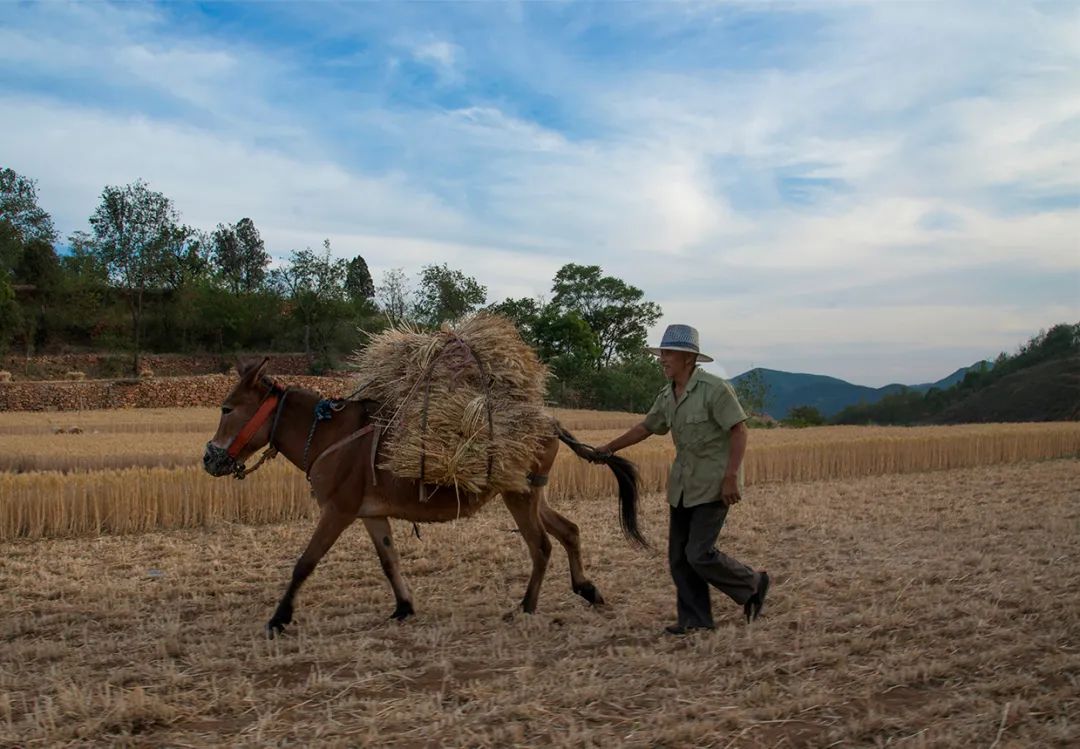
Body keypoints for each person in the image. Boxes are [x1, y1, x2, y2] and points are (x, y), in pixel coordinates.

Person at [596, 324, 769, 634]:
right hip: (682, 486)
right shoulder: (668, 394)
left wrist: (731, 476)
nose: (662, 358)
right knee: (679, 558)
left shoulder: (715, 389)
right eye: (662, 352)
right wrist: (608, 449)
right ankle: (696, 621)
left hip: (713, 484)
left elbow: (739, 430)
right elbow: (646, 427)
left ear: (688, 358)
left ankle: (753, 583)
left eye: (669, 353)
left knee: (698, 554)